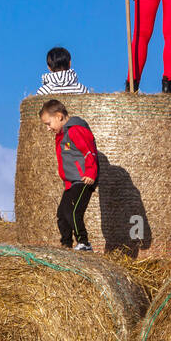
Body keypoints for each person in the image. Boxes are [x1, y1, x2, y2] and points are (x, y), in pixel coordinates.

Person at [39, 98, 98, 250]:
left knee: (73, 211)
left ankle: (84, 243)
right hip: (71, 182)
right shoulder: (61, 136)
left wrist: (91, 173)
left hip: (84, 180)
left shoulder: (75, 130)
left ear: (59, 116)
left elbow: (89, 152)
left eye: (48, 123)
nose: (48, 128)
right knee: (62, 214)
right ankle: (66, 245)